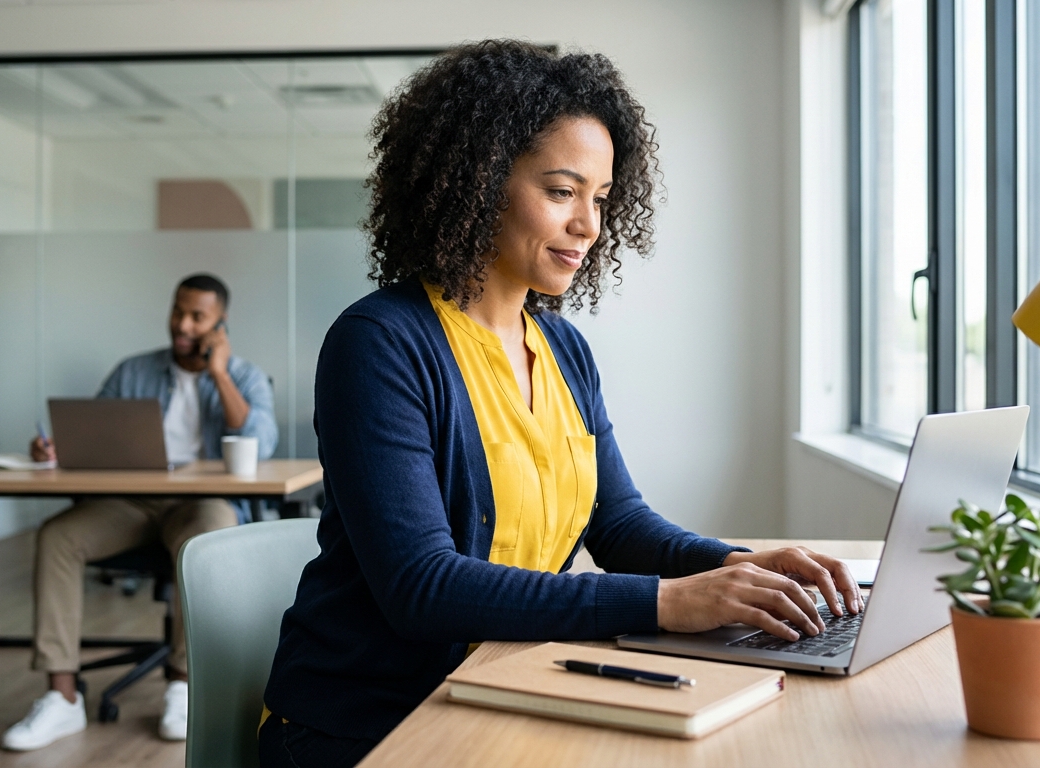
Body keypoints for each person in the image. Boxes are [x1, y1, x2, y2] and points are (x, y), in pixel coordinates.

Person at [259, 41, 862, 768]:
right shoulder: (380, 344)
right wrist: (668, 603)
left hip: (511, 686)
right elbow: (422, 587)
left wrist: (744, 571)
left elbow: (619, 523)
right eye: (561, 191)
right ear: (477, 182)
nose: (590, 226)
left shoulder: (562, 348)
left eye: (601, 199)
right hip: (370, 726)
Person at [0, 272, 279, 751]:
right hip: (133, 504)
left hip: (202, 505)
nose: (183, 324)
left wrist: (219, 373)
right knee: (57, 537)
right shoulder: (134, 371)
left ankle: (183, 682)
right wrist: (55, 449)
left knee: (210, 535)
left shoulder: (245, 377)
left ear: (220, 324)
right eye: (178, 311)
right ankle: (62, 697)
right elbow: (90, 435)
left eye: (198, 316)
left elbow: (262, 445)